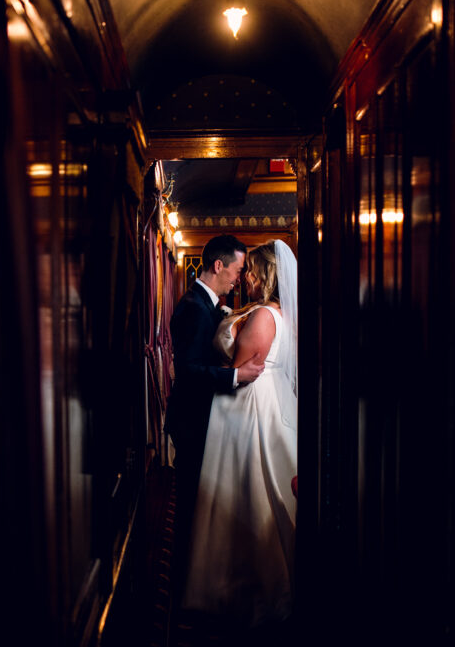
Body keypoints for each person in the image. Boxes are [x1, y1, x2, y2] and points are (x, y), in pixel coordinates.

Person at [181, 239, 299, 629]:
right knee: (246, 491)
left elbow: (240, 363)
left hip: (247, 409)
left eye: (250, 270)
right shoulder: (270, 312)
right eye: (240, 269)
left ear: (264, 275)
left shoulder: (264, 315)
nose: (244, 276)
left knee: (245, 491)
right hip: (246, 405)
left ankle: (244, 586)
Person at [165, 235, 264, 602]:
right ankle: (181, 586)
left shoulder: (208, 305)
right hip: (192, 421)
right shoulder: (193, 307)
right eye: (237, 270)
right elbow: (190, 371)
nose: (239, 278)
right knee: (191, 502)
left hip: (201, 419)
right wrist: (236, 377)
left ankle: (192, 575)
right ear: (219, 266)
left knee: (198, 501)